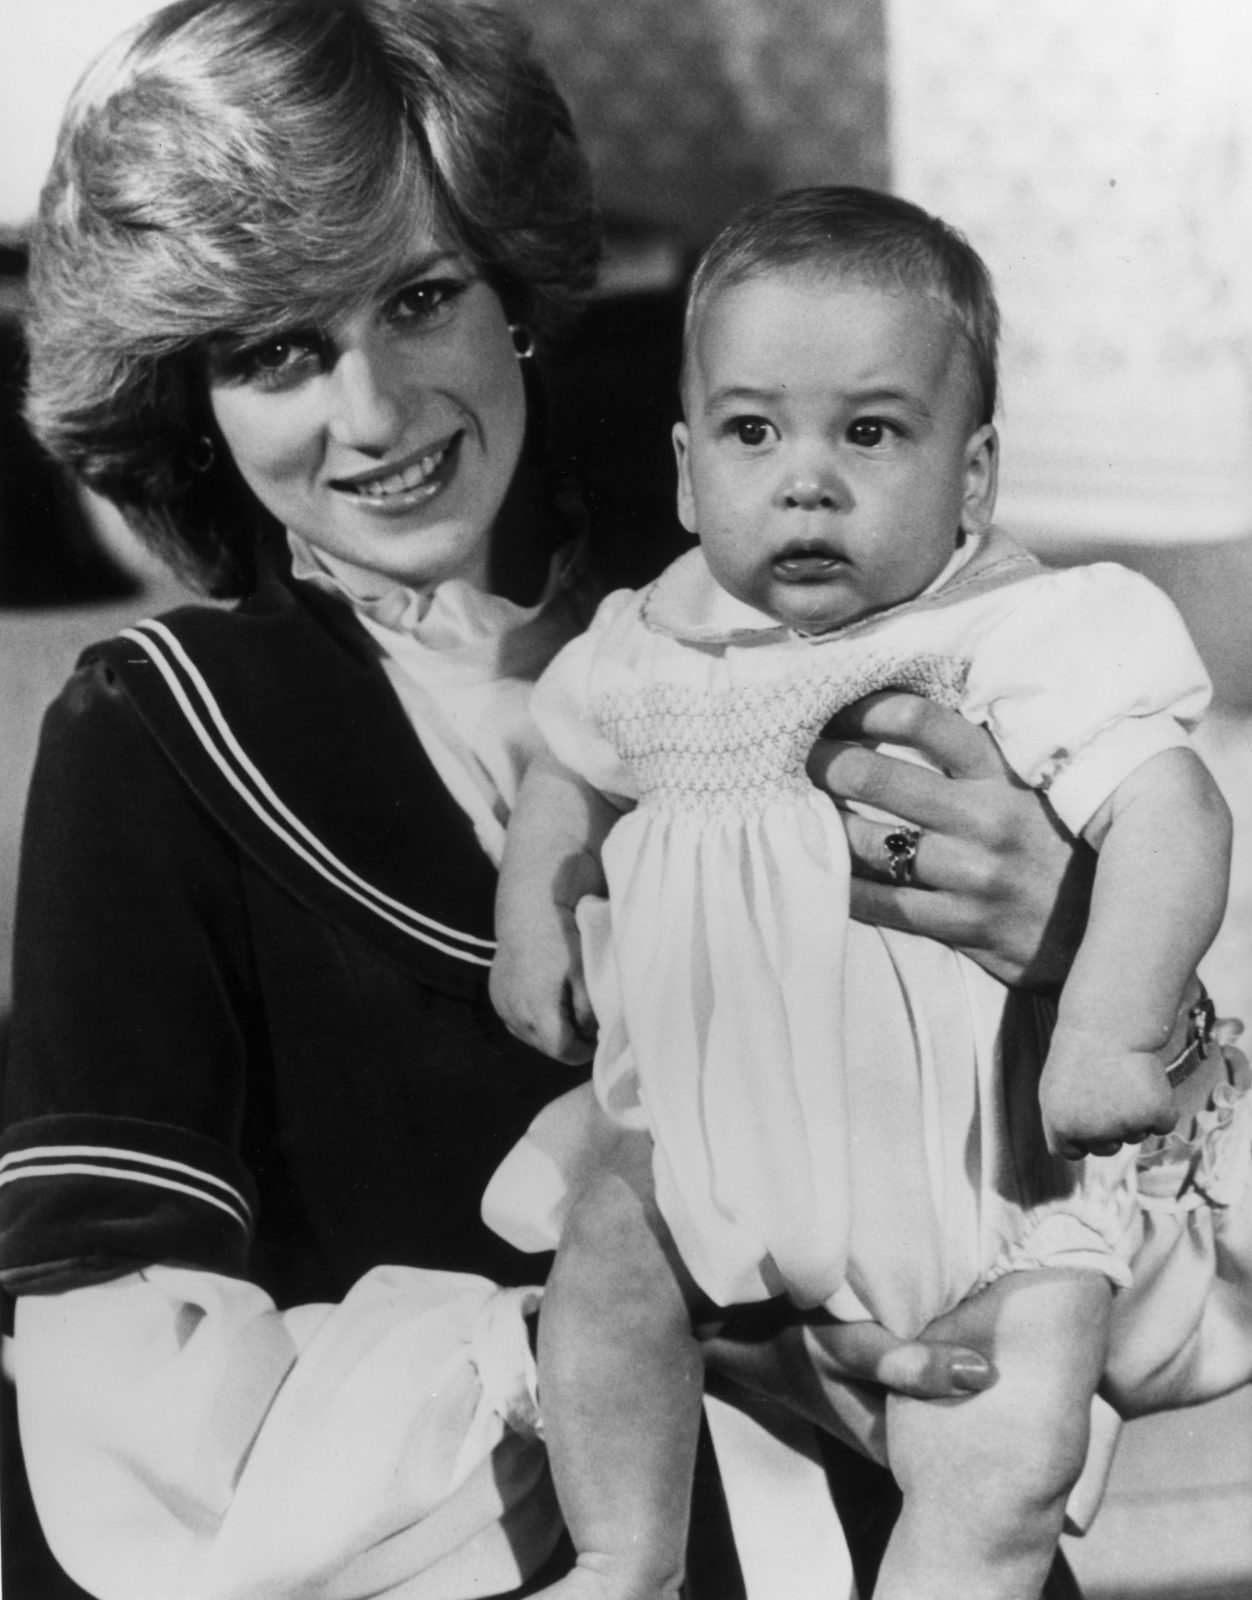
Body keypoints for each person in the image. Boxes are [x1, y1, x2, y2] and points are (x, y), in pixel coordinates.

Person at [0, 8, 1109, 1599]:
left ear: (514, 294)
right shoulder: (155, 735)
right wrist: (646, 1358)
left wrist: (1066, 949)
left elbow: (1122, 1137)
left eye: (420, 299)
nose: (373, 414)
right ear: (191, 396)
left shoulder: (795, 614)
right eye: (276, 352)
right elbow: (133, 1409)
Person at [488, 187, 1250, 1600]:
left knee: (1004, 1440)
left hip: (979, 1188)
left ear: (973, 475)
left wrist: (1110, 1028)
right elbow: (564, 764)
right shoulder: (646, 642)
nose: (807, 480)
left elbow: (1172, 811)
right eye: (754, 431)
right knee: (607, 1253)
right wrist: (534, 907)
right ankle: (622, 1555)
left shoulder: (1018, 635)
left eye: (873, 432)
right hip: (713, 1162)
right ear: (683, 467)